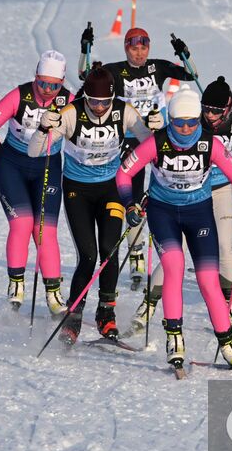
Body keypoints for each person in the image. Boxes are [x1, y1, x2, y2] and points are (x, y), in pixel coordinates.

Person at [117, 89, 232, 373]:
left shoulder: (210, 143)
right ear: (170, 118)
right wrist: (130, 205)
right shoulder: (157, 142)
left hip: (199, 214)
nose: (185, 128)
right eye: (179, 122)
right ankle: (175, 340)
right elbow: (124, 173)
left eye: (191, 122)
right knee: (174, 266)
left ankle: (228, 346)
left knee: (208, 281)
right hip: (163, 213)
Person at [27, 62, 150, 342]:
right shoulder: (71, 114)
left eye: (104, 102)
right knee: (88, 255)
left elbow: (151, 147)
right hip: (77, 192)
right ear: (86, 98)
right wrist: (43, 129)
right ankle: (74, 319)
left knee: (109, 249)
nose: (98, 107)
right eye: (93, 101)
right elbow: (35, 153)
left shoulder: (123, 111)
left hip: (111, 189)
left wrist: (154, 130)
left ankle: (106, 314)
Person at [136, 76, 232, 335]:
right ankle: (149, 303)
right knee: (175, 253)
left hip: (219, 191)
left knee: (225, 247)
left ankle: (229, 305)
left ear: (228, 109)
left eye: (216, 111)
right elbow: (160, 125)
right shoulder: (190, 119)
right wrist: (151, 123)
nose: (210, 115)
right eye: (206, 109)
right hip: (185, 195)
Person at [80, 24, 196, 288]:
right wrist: (84, 50)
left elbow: (192, 75)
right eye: (134, 47)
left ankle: (142, 247)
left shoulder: (158, 67)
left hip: (155, 138)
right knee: (129, 196)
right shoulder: (114, 69)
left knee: (150, 195)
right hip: (125, 141)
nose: (140, 53)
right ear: (126, 48)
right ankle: (136, 251)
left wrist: (185, 53)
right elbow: (86, 78)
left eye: (144, 47)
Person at [0, 51, 74, 312]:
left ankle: (53, 293)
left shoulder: (68, 101)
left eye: (54, 85)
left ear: (62, 82)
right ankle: (16, 283)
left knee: (45, 230)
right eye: (42, 83)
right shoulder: (19, 95)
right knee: (22, 224)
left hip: (48, 167)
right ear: (35, 77)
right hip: (12, 165)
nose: (47, 90)